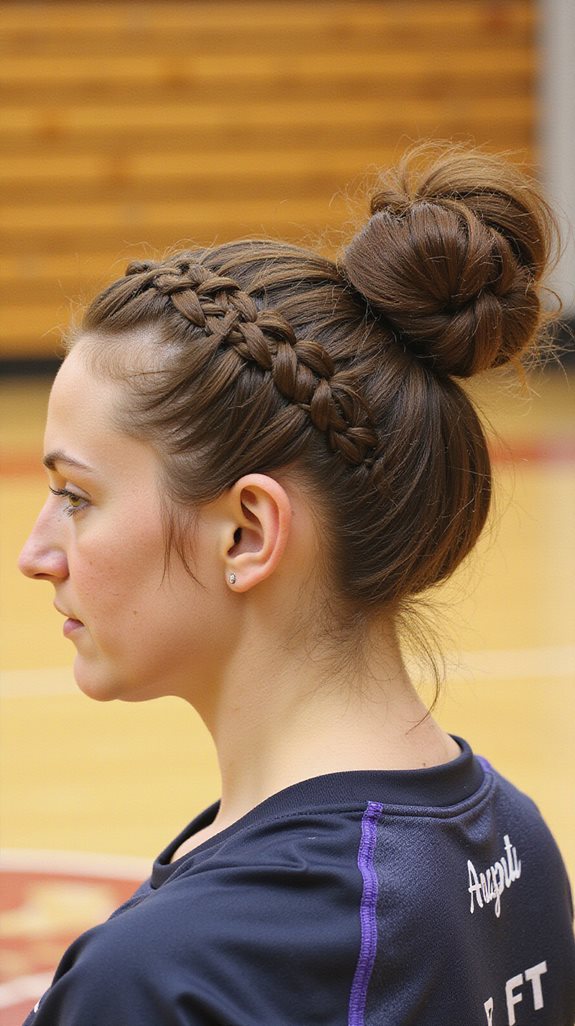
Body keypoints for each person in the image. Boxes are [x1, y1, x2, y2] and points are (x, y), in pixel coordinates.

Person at [18, 143, 575, 1026]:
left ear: (247, 533)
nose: (35, 554)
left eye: (76, 497)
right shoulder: (516, 841)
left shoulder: (165, 978)